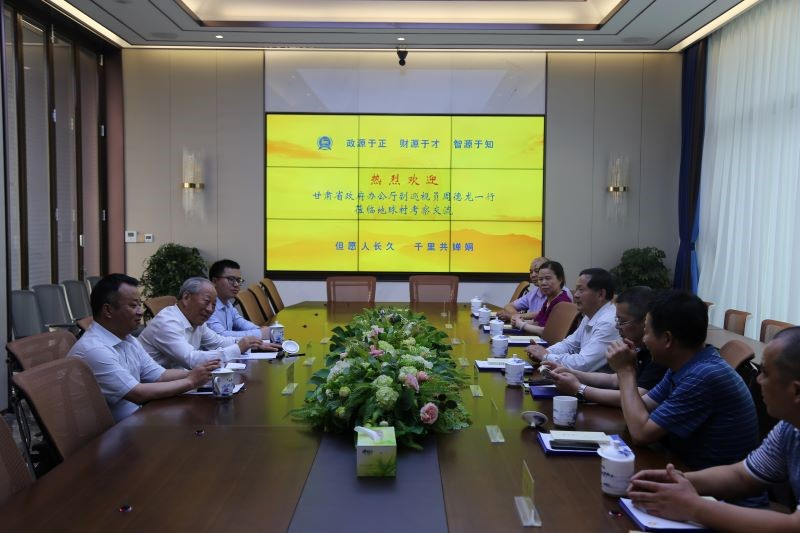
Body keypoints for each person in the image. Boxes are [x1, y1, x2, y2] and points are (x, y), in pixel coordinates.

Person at [627, 327, 800, 530]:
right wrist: (671, 481)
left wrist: (693, 507)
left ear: (796, 391)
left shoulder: (705, 374)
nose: (759, 380)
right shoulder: (790, 427)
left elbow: (794, 526)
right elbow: (743, 476)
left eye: (766, 373)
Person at [611, 290, 762, 478]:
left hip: (714, 489)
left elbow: (640, 434)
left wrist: (625, 371)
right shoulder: (685, 364)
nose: (644, 339)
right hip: (686, 472)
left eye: (647, 332)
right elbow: (643, 405)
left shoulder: (704, 376)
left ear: (667, 339)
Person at [68, 274, 219, 422]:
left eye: (140, 304)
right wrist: (191, 381)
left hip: (136, 418)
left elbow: (160, 375)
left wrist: (198, 374)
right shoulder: (94, 350)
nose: (140, 312)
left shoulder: (128, 339)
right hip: (108, 431)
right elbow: (137, 393)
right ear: (108, 310)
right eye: (133, 306)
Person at [543, 286, 667, 406]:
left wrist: (579, 388)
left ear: (645, 322)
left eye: (622, 321)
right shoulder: (639, 347)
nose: (617, 326)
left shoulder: (658, 354)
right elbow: (615, 380)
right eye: (617, 320)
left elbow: (638, 399)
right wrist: (571, 372)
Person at [139, 277, 265, 369]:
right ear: (186, 298)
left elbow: (219, 342)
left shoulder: (196, 321)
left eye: (214, 305)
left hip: (177, 382)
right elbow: (191, 359)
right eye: (206, 302)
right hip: (151, 390)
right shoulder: (167, 322)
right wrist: (238, 348)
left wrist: (251, 343)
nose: (210, 309)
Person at [526, 268, 620, 372]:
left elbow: (583, 364)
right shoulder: (590, 314)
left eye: (581, 290)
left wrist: (545, 356)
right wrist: (543, 352)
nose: (575, 295)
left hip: (595, 380)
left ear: (601, 294)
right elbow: (570, 345)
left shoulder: (609, 322)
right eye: (576, 289)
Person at [206, 259, 276, 342]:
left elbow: (240, 322)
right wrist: (260, 333)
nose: (236, 284)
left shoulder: (227, 303)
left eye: (238, 280)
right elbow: (220, 336)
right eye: (231, 279)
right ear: (214, 281)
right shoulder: (207, 307)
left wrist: (259, 329)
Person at [510, 260, 572, 336]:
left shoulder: (562, 302)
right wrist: (519, 321)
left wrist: (521, 324)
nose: (543, 283)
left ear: (560, 279)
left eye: (548, 278)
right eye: (540, 279)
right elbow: (538, 322)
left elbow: (548, 331)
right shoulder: (549, 300)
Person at [497, 256, 549, 321]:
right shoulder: (534, 293)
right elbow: (509, 306)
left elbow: (542, 314)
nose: (533, 275)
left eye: (537, 271)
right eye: (531, 272)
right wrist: (517, 317)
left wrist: (514, 317)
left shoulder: (556, 294)